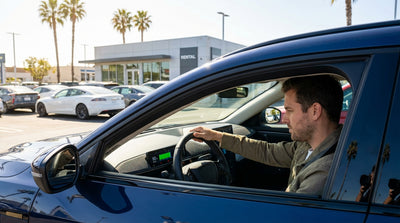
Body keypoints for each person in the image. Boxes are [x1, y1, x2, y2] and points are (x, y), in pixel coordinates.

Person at [191, 75, 343, 195]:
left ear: (315, 111)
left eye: (289, 110)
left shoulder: (324, 171)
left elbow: (289, 215)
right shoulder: (307, 146)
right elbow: (267, 151)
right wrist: (217, 137)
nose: (284, 119)